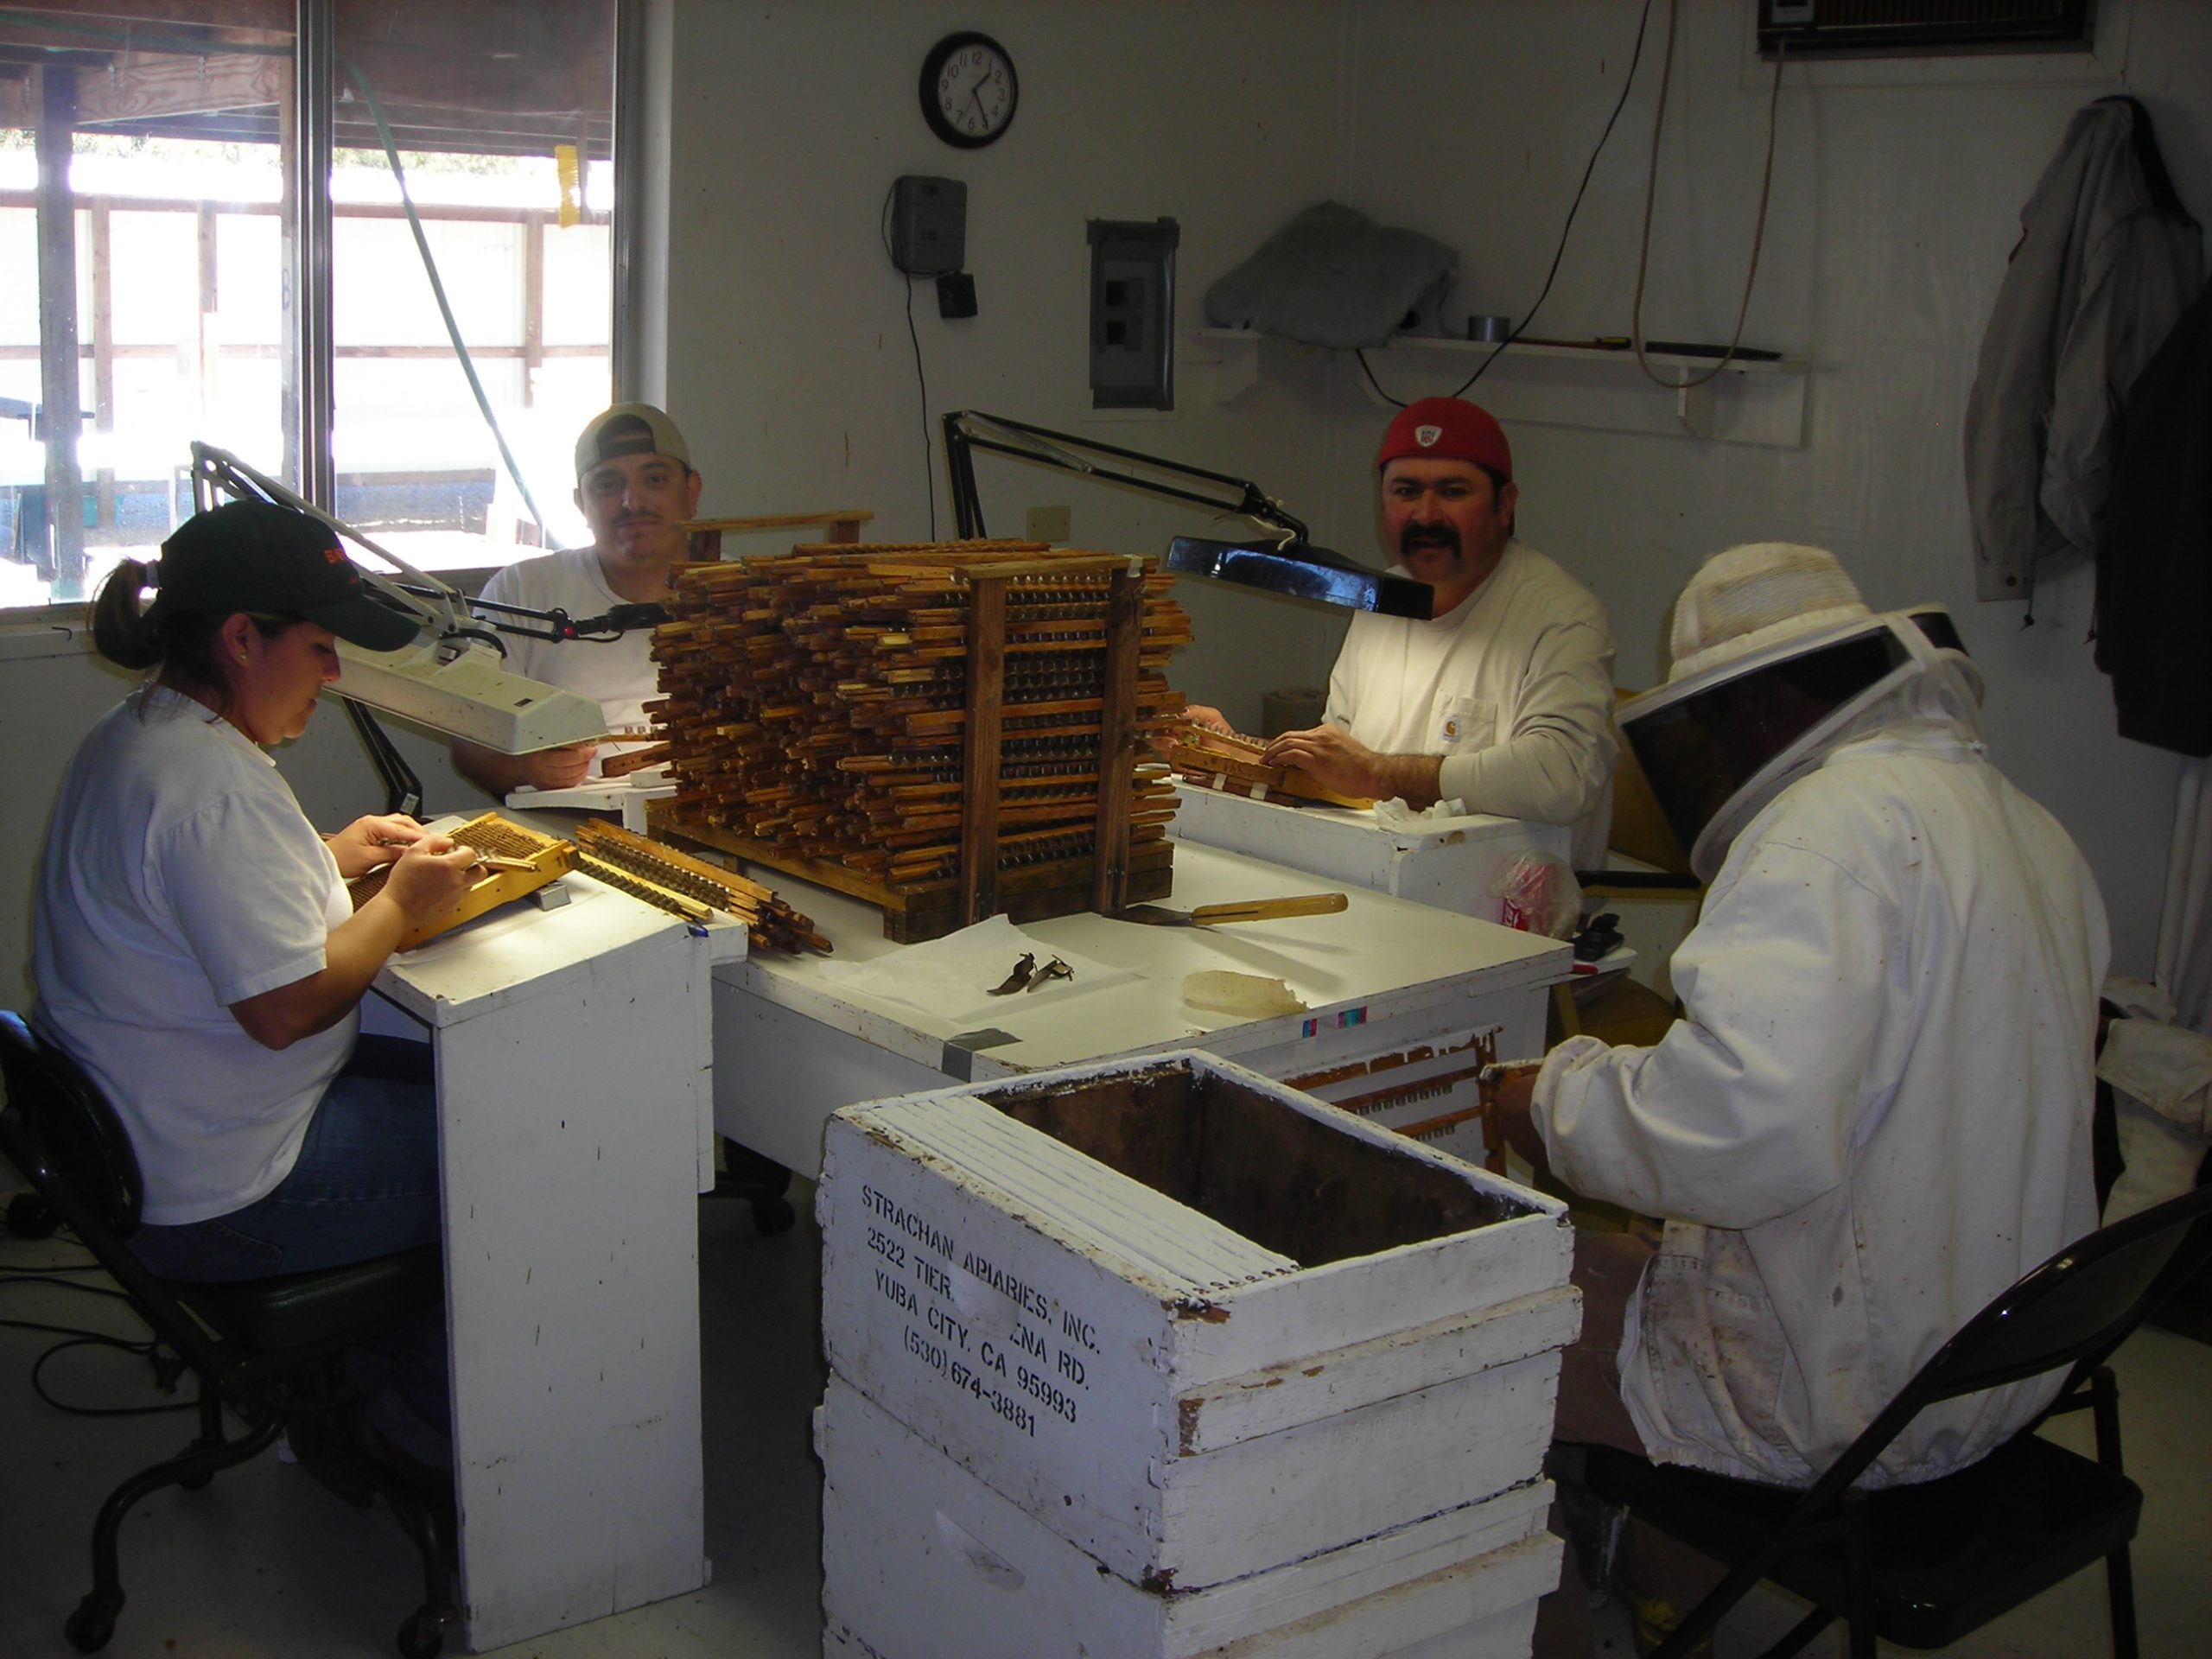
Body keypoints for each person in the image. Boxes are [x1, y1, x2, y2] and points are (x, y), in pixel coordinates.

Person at [1491, 543, 2107, 1649]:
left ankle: (1557, 1627)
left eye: (1717, 725)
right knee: (1624, 1252)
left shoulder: (1825, 835)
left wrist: (1547, 1104)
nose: (1715, 754)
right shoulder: (2024, 822)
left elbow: (1735, 1130)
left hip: (1858, 1406)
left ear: (1771, 701)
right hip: (2003, 1366)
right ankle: (1672, 1586)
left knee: (1478, 1324)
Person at [32, 499, 480, 1466]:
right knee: (518, 1146)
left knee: (472, 1085)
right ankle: (424, 1433)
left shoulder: (142, 735)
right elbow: (285, 1008)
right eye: (319, 647)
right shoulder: (213, 788)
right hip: (230, 1192)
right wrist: (400, 902)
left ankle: (362, 1383)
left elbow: (188, 899)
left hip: (158, 1150)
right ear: (241, 637)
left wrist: (329, 857)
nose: (332, 673)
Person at [1196, 397, 1617, 865]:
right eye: (1406, 491)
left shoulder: (1561, 617)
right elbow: (1340, 772)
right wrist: (1236, 753)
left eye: (1453, 492)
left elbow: (1557, 778)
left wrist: (1378, 773)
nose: (1426, 515)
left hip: (1503, 911)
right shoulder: (1380, 601)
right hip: (1381, 882)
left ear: (1505, 504)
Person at [453, 402, 703, 795]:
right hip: (574, 823)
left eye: (655, 479)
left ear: (692, 492)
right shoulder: (521, 591)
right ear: (580, 504)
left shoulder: (747, 593)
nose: (632, 503)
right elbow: (468, 744)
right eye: (607, 484)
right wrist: (524, 767)